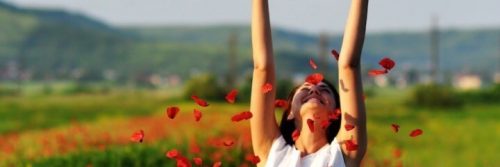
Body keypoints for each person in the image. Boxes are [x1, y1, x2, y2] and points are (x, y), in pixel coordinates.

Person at [249, 0, 368, 166]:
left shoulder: (343, 154)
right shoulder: (271, 151)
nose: (314, 89)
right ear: (289, 111)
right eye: (305, 88)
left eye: (324, 89)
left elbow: (349, 66)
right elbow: (262, 68)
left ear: (337, 112)